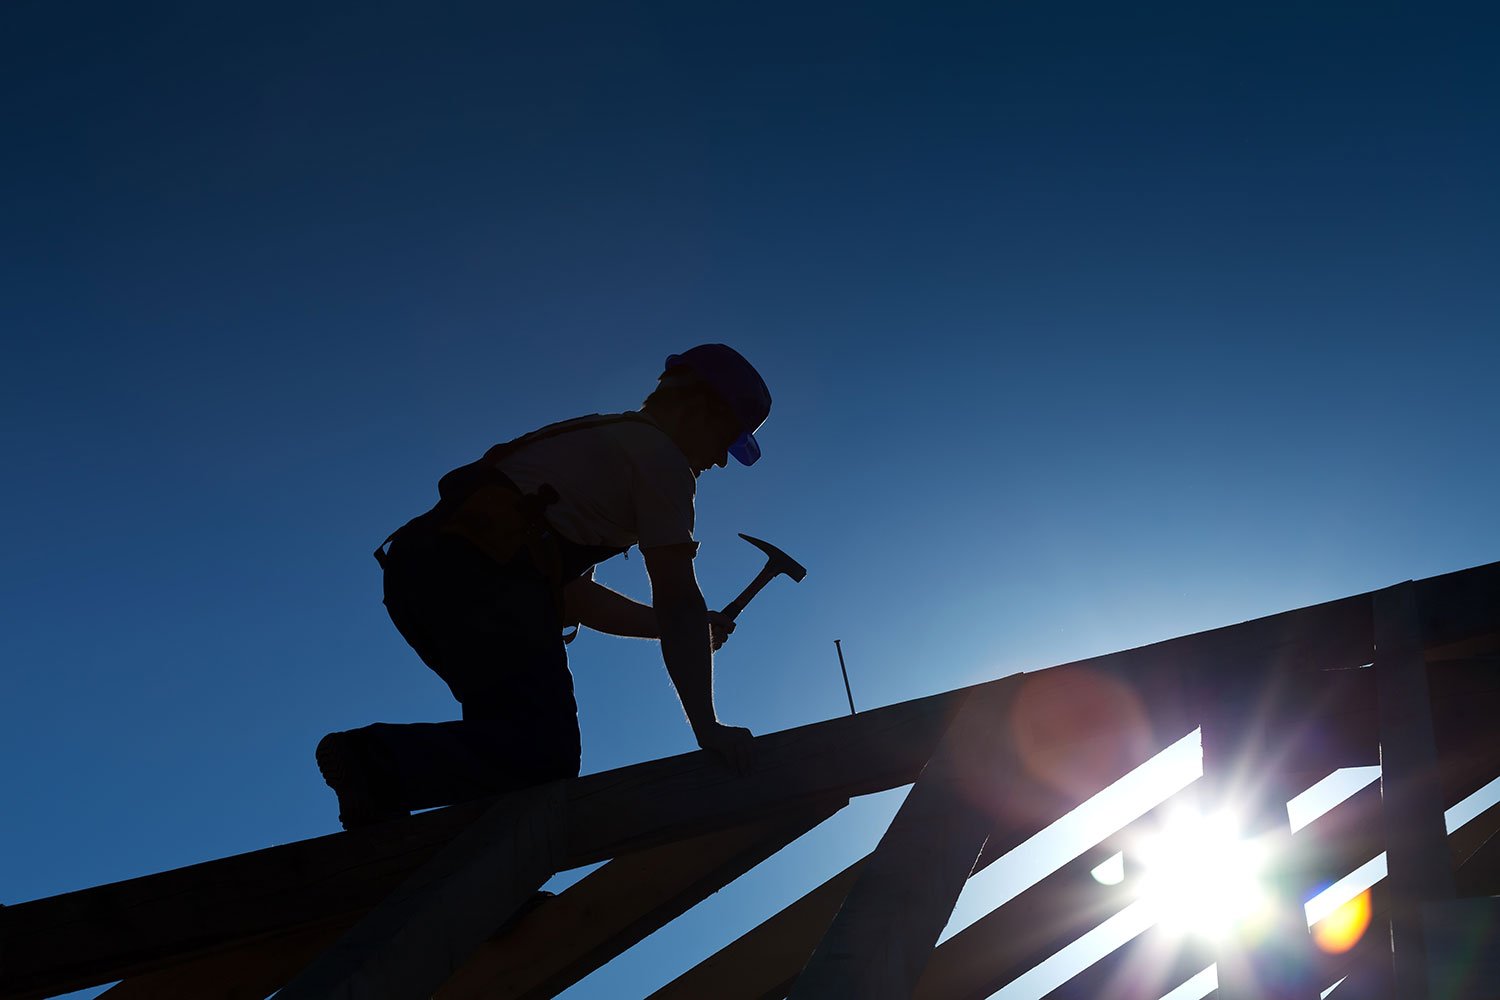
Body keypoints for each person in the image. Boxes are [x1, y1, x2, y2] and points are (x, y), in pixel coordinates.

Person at [316, 344, 769, 829]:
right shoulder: (662, 461)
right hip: (480, 580)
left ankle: (388, 808)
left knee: (514, 749)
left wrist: (682, 630)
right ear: (698, 405)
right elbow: (678, 597)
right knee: (541, 754)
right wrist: (708, 727)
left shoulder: (600, 448)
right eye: (727, 437)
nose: (722, 459)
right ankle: (375, 763)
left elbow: (576, 598)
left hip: (423, 575)